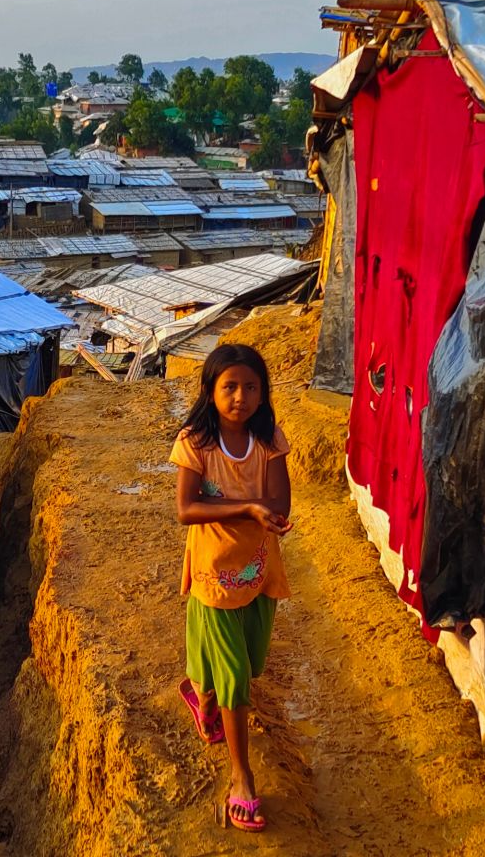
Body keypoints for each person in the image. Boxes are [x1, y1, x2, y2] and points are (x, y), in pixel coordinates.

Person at [171, 343, 292, 833]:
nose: (240, 397)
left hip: (258, 570)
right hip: (213, 574)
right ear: (210, 391)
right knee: (238, 677)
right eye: (229, 387)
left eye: (250, 387)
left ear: (263, 394)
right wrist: (247, 508)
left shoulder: (268, 442)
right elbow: (186, 509)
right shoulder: (196, 443)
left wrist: (265, 512)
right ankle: (242, 779)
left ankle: (202, 694)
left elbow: (281, 503)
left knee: (252, 660)